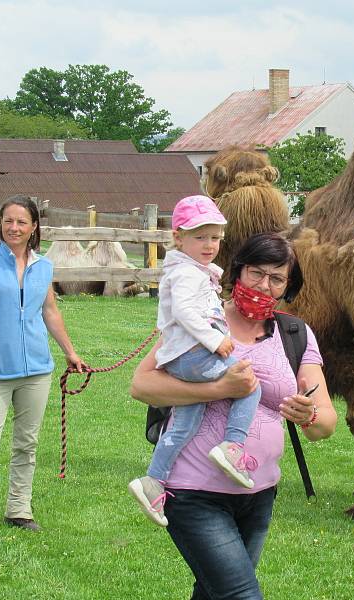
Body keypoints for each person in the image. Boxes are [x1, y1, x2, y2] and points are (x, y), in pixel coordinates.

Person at [130, 232, 337, 600]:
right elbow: (143, 385)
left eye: (277, 279)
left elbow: (325, 424)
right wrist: (219, 389)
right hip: (194, 491)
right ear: (238, 272)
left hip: (258, 494)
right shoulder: (202, 318)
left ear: (288, 286)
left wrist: (308, 414)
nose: (264, 285)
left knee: (212, 593)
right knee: (241, 594)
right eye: (256, 273)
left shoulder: (295, 334)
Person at [0, 195, 85, 545]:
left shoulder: (43, 266)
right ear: (0, 224)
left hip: (37, 370)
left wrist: (69, 352)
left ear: (34, 227)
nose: (14, 228)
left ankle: (19, 509)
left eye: (21, 222)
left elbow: (50, 311)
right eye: (8, 221)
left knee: (27, 444)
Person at [129, 195, 265, 529]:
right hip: (195, 354)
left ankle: (153, 481)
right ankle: (232, 446)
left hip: (180, 357)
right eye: (200, 237)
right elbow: (186, 312)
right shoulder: (187, 274)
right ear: (178, 237)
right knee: (249, 386)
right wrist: (216, 340)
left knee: (184, 422)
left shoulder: (190, 270)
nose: (210, 245)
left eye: (215, 238)